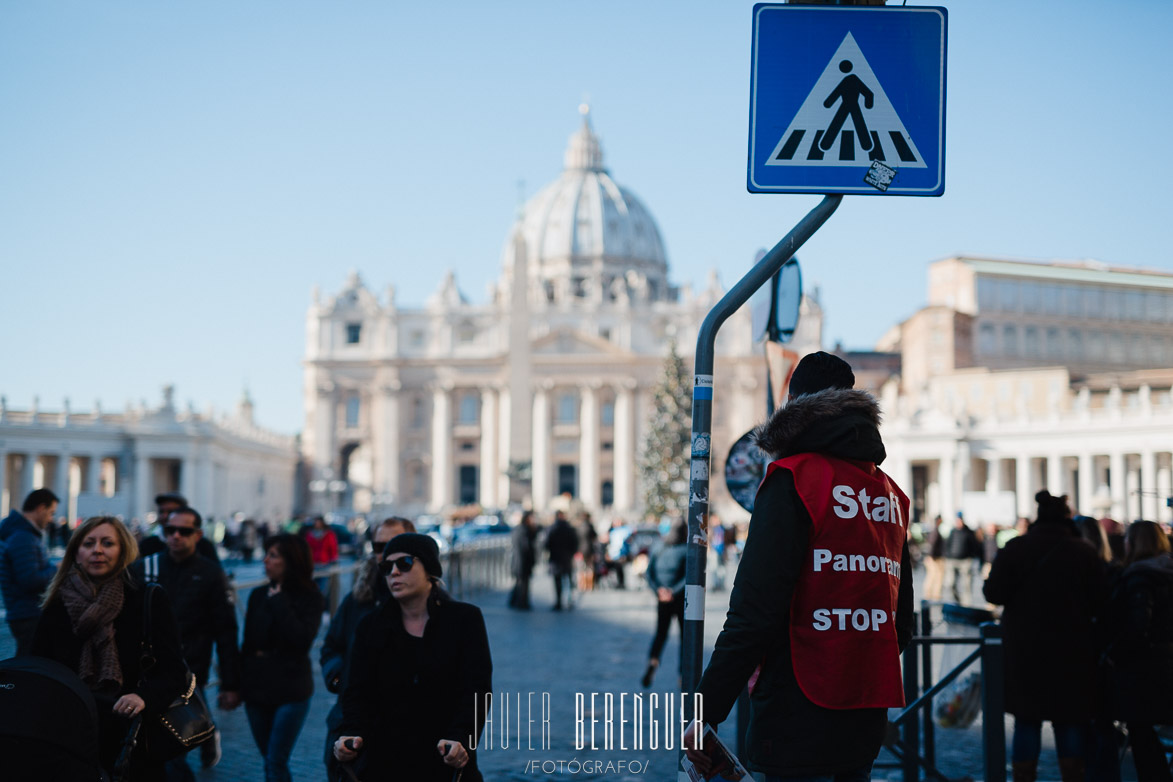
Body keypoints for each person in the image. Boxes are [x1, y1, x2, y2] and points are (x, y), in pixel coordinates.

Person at [686, 352, 914, 781]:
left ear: (793, 406)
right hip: (865, 708)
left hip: (796, 704)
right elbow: (902, 623)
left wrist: (706, 710)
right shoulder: (890, 494)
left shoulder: (793, 479)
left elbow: (754, 612)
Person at [31, 516, 187, 781]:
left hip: (132, 736)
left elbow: (173, 672)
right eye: (88, 543)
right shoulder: (57, 604)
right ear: (76, 553)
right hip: (70, 734)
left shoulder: (147, 598)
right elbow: (39, 668)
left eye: (107, 543)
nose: (98, 550)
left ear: (122, 550)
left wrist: (142, 697)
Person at [334, 533, 492, 781]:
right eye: (387, 567)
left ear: (429, 568)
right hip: (384, 763)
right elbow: (357, 691)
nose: (394, 573)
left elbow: (477, 690)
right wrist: (350, 733)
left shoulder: (464, 620)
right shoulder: (371, 626)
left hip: (444, 760)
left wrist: (462, 738)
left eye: (404, 564)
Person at [983, 490, 1105, 782]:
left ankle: (1024, 778)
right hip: (1073, 650)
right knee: (1070, 722)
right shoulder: (1085, 552)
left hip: (1026, 650)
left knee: (1027, 721)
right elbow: (1101, 602)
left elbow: (993, 593)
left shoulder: (1016, 548)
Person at [133, 506, 241, 778]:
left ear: (198, 535)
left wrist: (230, 683)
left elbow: (226, 630)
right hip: (147, 671)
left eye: (184, 531)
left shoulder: (211, 573)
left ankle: (206, 735)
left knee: (175, 751)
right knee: (159, 749)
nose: (176, 536)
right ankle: (205, 735)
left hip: (190, 671)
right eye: (170, 530)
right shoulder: (146, 567)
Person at [320, 517, 409, 782]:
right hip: (351, 717)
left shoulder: (435, 609)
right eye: (379, 546)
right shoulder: (358, 599)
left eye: (394, 546)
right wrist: (339, 677)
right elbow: (331, 645)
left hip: (405, 726)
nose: (384, 554)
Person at [241, 533, 324, 782]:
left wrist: (279, 602)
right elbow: (247, 644)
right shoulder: (258, 595)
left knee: (276, 761)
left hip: (291, 689)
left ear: (291, 561)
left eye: (273, 555)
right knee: (268, 757)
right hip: (256, 689)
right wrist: (233, 685)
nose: (265, 560)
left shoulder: (311, 597)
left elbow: (300, 640)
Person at [1101, 521, 1173, 782]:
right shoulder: (1165, 571)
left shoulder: (1140, 576)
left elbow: (1138, 624)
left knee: (1141, 731)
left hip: (1144, 667)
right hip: (1165, 660)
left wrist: (1114, 653)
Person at [0, 488, 59, 655]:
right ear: (40, 508)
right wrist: (56, 569)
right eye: (51, 512)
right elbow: (29, 580)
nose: (51, 519)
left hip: (24, 610)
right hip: (27, 612)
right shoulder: (23, 537)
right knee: (29, 663)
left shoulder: (22, 534)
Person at [641, 520, 687, 689]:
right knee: (685, 637)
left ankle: (652, 662)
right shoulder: (686, 549)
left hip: (662, 597)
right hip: (680, 598)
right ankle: (683, 674)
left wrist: (659, 591)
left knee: (661, 634)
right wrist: (673, 592)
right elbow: (689, 576)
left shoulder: (658, 547)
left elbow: (649, 572)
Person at [138, 493, 220, 566]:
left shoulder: (204, 546)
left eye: (171, 512)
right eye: (161, 512)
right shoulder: (147, 544)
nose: (164, 516)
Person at [545, 509, 579, 610]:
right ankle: (569, 601)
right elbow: (575, 543)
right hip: (567, 557)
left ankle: (558, 602)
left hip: (555, 558)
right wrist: (571, 553)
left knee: (557, 581)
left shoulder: (551, 528)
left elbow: (546, 544)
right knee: (568, 580)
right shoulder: (569, 528)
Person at [943, 512, 980, 605]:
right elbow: (947, 544)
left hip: (965, 561)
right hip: (952, 560)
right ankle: (957, 600)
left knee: (966, 584)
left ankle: (966, 604)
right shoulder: (953, 532)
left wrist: (971, 556)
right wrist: (947, 556)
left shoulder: (969, 532)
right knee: (950, 583)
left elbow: (975, 545)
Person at [508, 510, 537, 610]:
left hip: (517, 561)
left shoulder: (517, 529)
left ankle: (514, 601)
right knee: (523, 584)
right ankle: (521, 603)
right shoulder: (524, 531)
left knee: (519, 582)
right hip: (523, 562)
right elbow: (526, 548)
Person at [305, 516, 339, 596]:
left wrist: (334, 560)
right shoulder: (310, 535)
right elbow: (306, 548)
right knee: (311, 588)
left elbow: (333, 548)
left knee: (323, 588)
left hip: (324, 564)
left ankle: (321, 604)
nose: (317, 524)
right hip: (313, 564)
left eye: (318, 522)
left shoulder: (329, 534)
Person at [923, 514, 945, 601]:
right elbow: (932, 545)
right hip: (934, 558)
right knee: (934, 576)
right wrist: (931, 556)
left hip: (933, 557)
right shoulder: (935, 531)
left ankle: (933, 593)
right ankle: (932, 593)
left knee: (933, 576)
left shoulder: (934, 531)